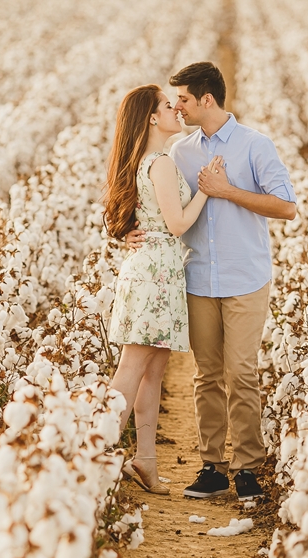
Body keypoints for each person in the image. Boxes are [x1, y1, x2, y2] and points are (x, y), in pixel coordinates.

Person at [126, 63, 296, 501]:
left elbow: (285, 207)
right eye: (172, 101)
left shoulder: (255, 145)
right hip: (198, 275)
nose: (176, 106)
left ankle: (246, 469)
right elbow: (152, 200)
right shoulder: (179, 152)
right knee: (207, 376)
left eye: (182, 99)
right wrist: (125, 229)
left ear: (206, 100)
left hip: (245, 276)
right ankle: (213, 467)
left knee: (241, 373)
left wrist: (226, 190)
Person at [104, 84, 222, 496]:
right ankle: (97, 457)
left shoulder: (147, 161)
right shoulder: (161, 164)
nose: (177, 111)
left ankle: (146, 460)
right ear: (153, 118)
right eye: (169, 106)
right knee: (133, 369)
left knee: (153, 370)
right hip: (156, 273)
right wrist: (207, 188)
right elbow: (176, 224)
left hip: (157, 270)